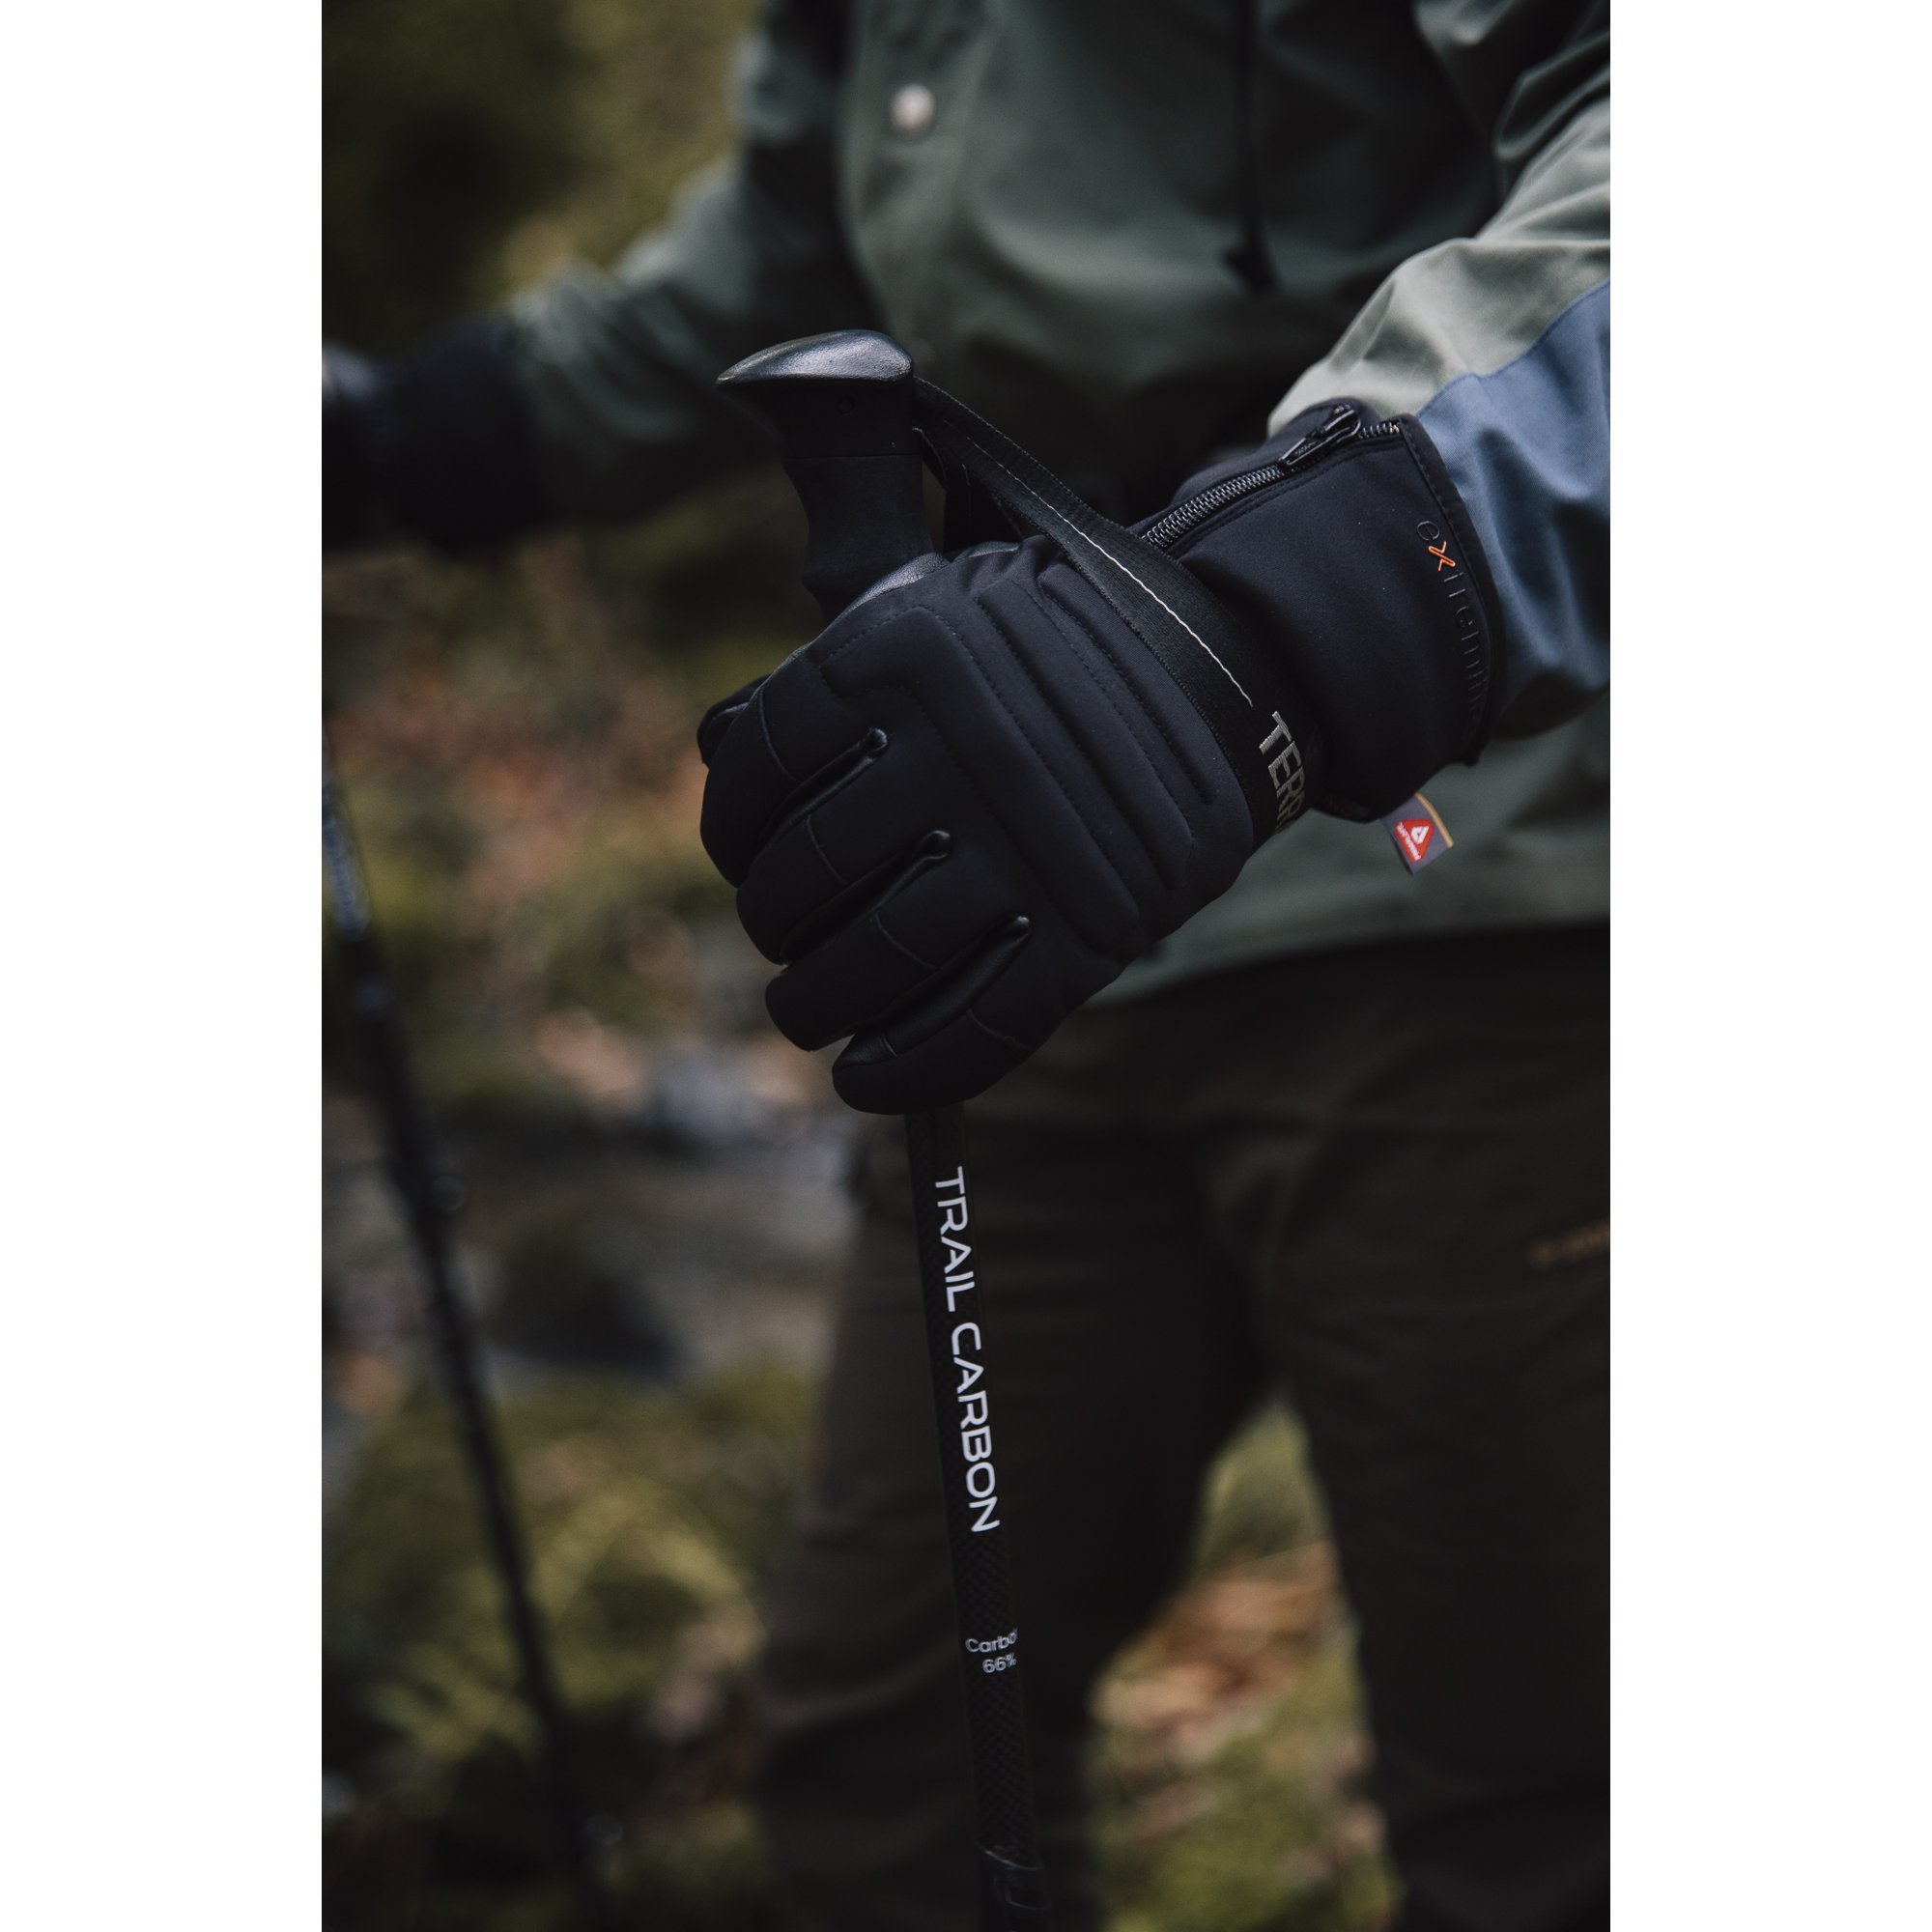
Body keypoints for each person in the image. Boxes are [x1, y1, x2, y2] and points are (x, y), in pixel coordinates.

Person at [327, 3, 1609, 1925]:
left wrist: (1287, 608)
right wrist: (403, 440)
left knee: (1556, 1805)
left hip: (1471, 901)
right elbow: (787, 252)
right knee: (889, 1762)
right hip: (1033, 931)